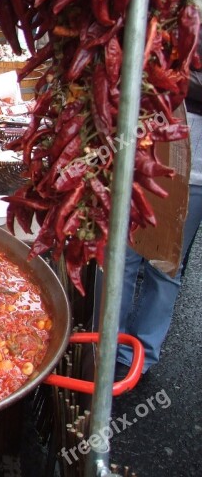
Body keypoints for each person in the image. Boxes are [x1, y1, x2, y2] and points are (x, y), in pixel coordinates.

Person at [108, 36, 202, 380]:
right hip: (148, 149)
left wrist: (155, 72)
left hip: (194, 168)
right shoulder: (176, 15)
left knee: (166, 262)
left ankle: (141, 354)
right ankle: (109, 344)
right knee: (124, 254)